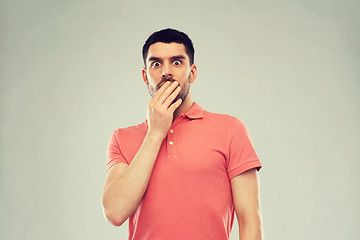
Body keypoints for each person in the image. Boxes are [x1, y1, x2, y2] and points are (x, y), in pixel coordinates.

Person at [101, 28, 263, 240]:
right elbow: (114, 212)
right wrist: (155, 133)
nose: (166, 72)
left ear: (192, 72)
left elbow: (250, 220)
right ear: (145, 75)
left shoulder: (231, 129)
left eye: (176, 62)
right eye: (156, 63)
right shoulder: (122, 138)